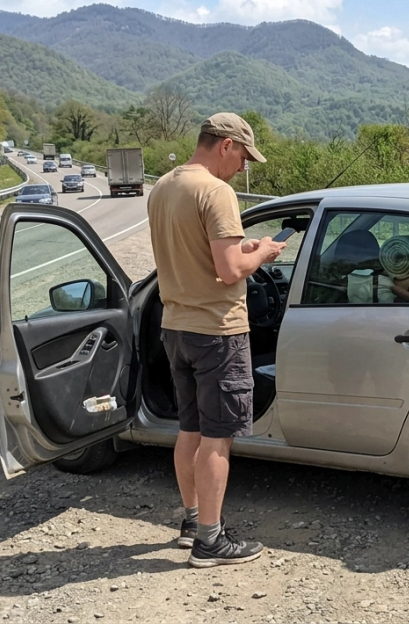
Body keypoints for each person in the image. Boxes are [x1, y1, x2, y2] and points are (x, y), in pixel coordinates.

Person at [147, 112, 287, 568]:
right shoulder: (216, 191)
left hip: (176, 327)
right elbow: (229, 272)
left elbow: (203, 258)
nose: (242, 168)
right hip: (218, 332)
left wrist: (242, 252)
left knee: (189, 428)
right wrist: (263, 252)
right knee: (218, 438)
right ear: (226, 145)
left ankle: (192, 522)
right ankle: (211, 540)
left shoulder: (165, 186)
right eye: (243, 157)